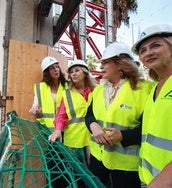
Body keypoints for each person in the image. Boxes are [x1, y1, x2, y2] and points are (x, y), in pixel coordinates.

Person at [85, 42, 153, 188]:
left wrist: (123, 136)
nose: (101, 67)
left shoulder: (145, 90)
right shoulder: (99, 90)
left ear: (121, 64)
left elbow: (152, 130)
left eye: (105, 63)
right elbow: (89, 115)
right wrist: (94, 126)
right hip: (98, 157)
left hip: (126, 166)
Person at [131, 24, 172, 187]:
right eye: (143, 50)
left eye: (156, 45)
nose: (149, 53)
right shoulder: (155, 88)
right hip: (147, 178)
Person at [48, 59, 96, 187]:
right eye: (71, 72)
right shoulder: (67, 94)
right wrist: (58, 130)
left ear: (85, 73)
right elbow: (61, 115)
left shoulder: (96, 91)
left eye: (77, 71)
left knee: (95, 175)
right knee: (77, 176)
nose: (73, 74)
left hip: (94, 138)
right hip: (74, 141)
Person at [29, 56, 68, 130]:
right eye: (52, 68)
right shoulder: (40, 88)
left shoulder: (67, 86)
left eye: (57, 67)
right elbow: (36, 105)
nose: (56, 70)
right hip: (47, 130)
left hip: (65, 129)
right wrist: (35, 109)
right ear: (46, 72)